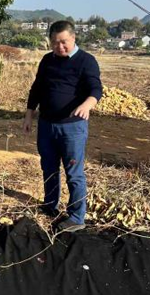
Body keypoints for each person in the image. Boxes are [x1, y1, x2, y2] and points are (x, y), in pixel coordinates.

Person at [23, 20, 102, 233]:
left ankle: (76, 216)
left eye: (64, 42)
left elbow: (96, 89)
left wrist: (87, 105)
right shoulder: (47, 60)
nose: (60, 47)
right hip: (47, 125)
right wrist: (29, 115)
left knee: (74, 173)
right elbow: (36, 89)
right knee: (48, 167)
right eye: (55, 42)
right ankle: (50, 204)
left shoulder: (86, 61)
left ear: (73, 38)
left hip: (72, 128)